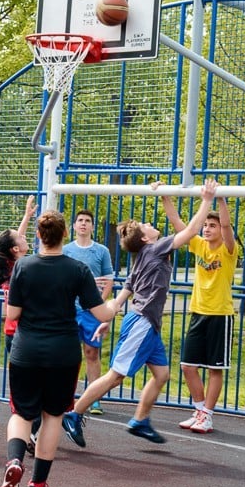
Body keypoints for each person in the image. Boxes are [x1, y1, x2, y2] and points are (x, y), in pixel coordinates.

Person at [62, 179, 219, 447]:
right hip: (142, 322)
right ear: (146, 238)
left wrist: (165, 196)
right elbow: (191, 229)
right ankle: (74, 415)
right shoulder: (156, 249)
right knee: (116, 375)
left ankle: (140, 420)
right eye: (146, 225)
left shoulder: (141, 258)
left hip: (144, 322)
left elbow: (122, 296)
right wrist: (207, 198)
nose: (150, 224)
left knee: (161, 375)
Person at [0, 210, 123, 487]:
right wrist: (117, 300)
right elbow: (102, 313)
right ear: (65, 235)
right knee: (53, 416)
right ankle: (37, 486)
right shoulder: (77, 269)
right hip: (62, 353)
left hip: (26, 350)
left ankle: (14, 461)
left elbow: (12, 314)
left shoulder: (23, 267)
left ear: (39, 236)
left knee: (21, 414)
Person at [162, 186, 238, 434]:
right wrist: (164, 196)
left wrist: (222, 200)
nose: (207, 228)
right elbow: (177, 223)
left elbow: (227, 228)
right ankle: (199, 409)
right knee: (187, 365)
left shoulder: (228, 250)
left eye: (212, 225)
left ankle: (207, 414)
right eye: (205, 225)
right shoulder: (198, 245)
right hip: (198, 313)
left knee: (215, 368)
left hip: (220, 315)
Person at [63, 209, 114, 415]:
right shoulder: (66, 250)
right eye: (80, 220)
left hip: (91, 312)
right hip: (70, 310)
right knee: (68, 354)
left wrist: (97, 305)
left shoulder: (101, 251)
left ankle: (93, 399)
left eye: (87, 221)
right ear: (74, 226)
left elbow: (108, 280)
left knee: (92, 353)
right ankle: (65, 396)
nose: (83, 224)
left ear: (93, 226)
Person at [0, 195, 37, 353]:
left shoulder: (9, 264)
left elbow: (16, 240)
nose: (24, 236)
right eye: (20, 237)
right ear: (15, 249)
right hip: (22, 331)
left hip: (12, 331)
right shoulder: (21, 267)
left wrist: (27, 216)